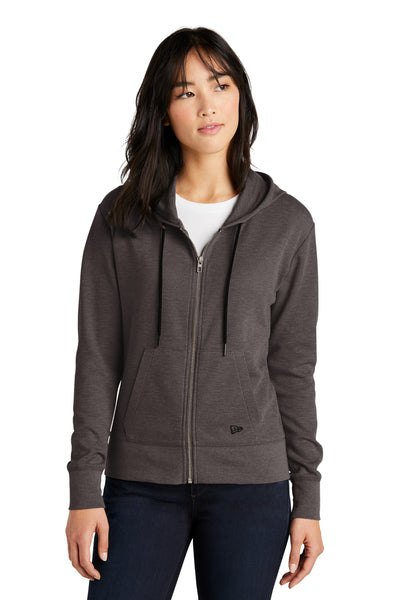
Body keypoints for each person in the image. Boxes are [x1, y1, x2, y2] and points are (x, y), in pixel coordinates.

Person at [65, 26, 324, 600]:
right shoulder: (121, 219)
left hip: (252, 485)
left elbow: (292, 367)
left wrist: (308, 497)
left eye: (220, 84)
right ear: (162, 112)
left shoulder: (287, 224)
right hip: (139, 481)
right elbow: (98, 357)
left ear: (241, 96)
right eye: (186, 92)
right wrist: (84, 487)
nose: (208, 105)